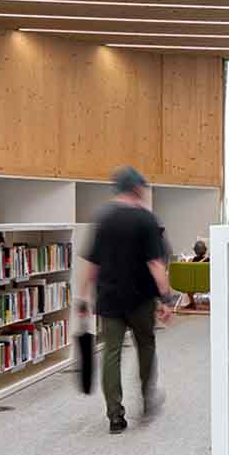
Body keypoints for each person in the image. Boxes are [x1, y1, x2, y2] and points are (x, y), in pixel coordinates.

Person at [78, 166, 178, 434]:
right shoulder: (145, 219)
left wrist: (83, 297)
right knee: (146, 346)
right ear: (136, 189)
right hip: (140, 299)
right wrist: (167, 299)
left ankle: (115, 416)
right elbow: (156, 264)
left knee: (111, 353)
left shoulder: (103, 218)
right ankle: (147, 402)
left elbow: (93, 264)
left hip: (109, 298)